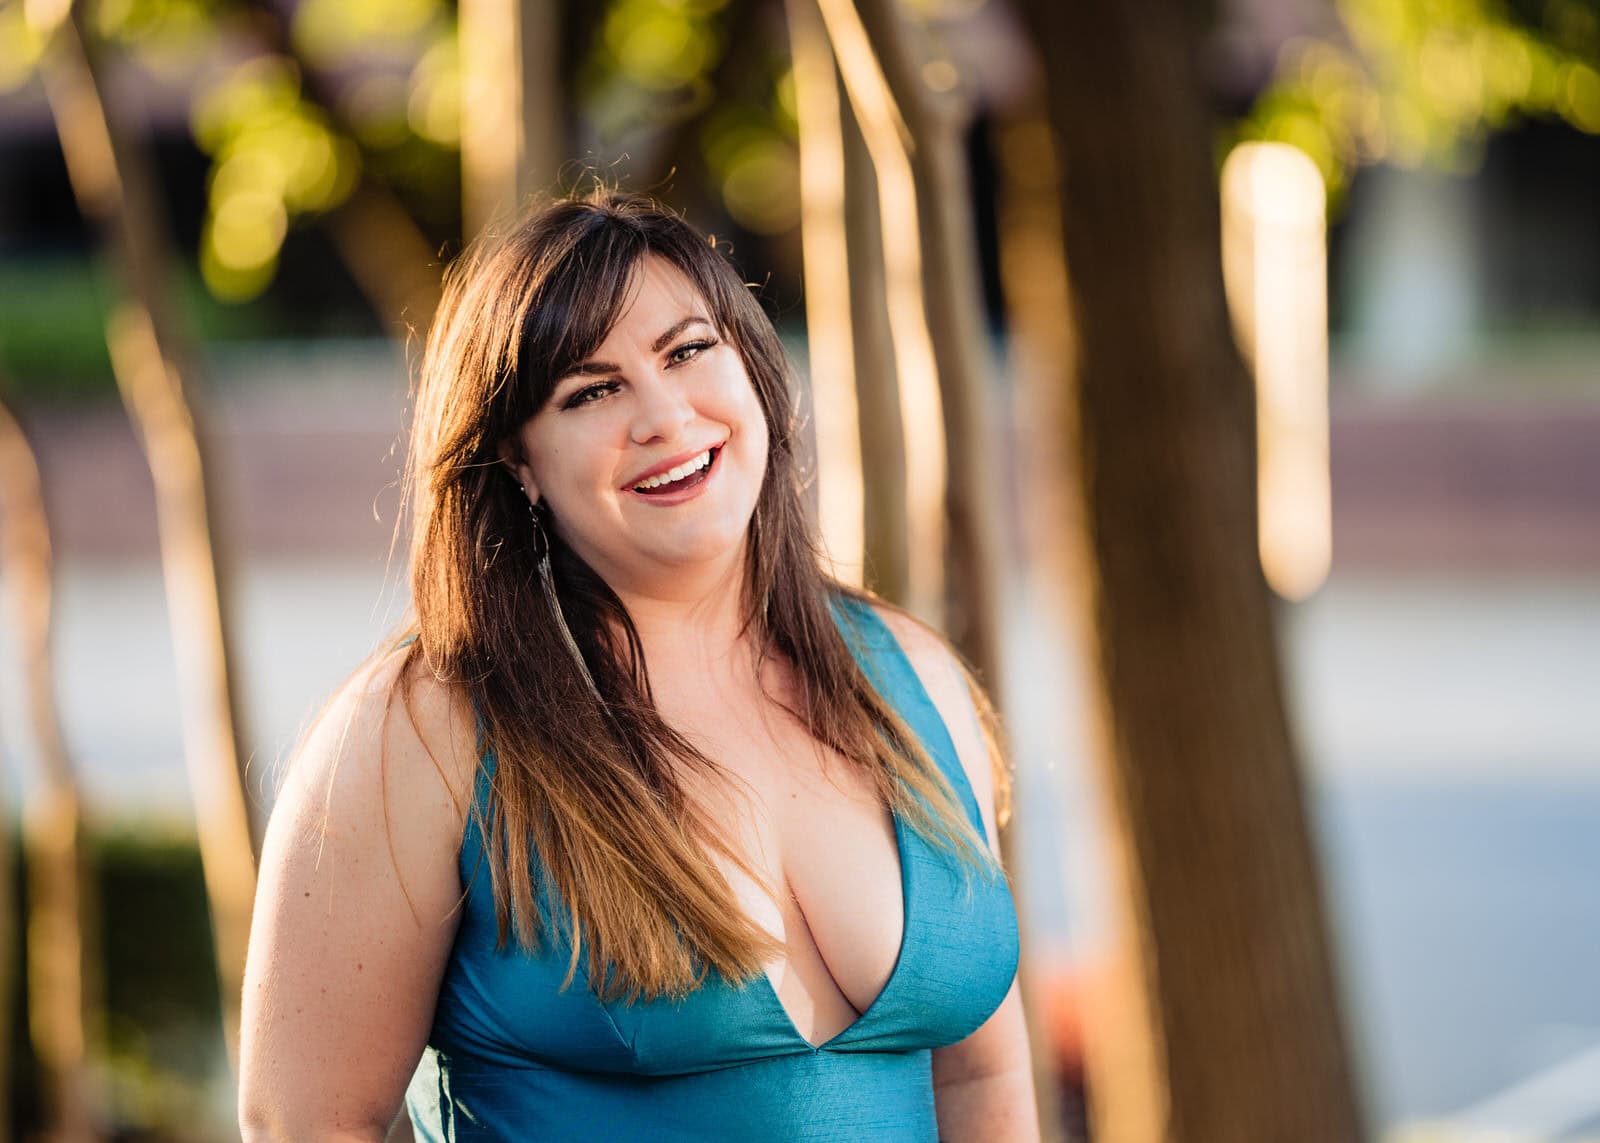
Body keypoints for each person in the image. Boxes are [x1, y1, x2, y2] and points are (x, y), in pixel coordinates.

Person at [237, 189, 1039, 1142]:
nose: (664, 415)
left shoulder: (913, 677)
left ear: (751, 365)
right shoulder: (423, 728)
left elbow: (982, 1079)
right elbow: (306, 1121)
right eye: (591, 390)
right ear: (519, 461)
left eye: (689, 350)